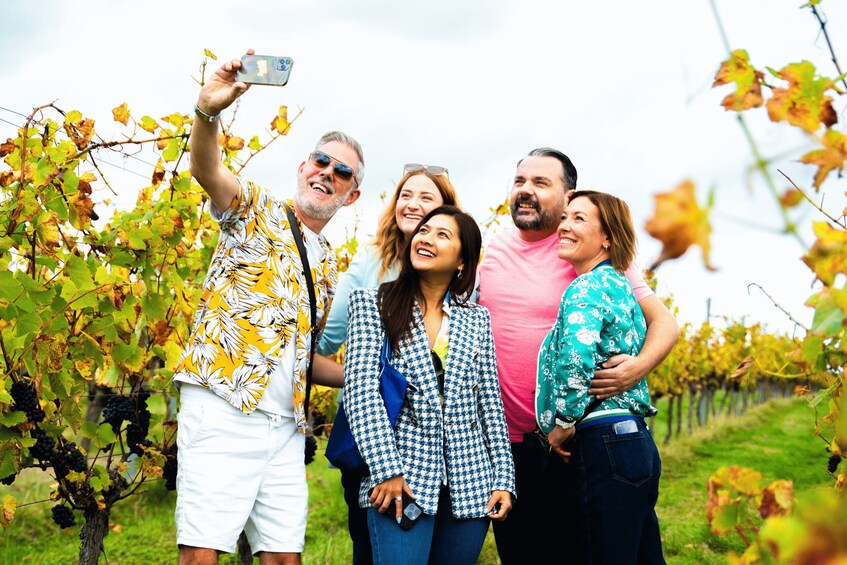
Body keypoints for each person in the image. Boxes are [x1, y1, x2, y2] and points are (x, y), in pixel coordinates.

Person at [171, 50, 361, 565]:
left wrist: (370, 373)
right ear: (303, 167)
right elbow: (208, 170)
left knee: (283, 558)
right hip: (225, 406)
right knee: (202, 555)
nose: (327, 172)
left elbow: (305, 360)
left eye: (341, 171)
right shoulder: (254, 208)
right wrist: (208, 112)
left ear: (352, 193)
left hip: (284, 427)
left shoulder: (327, 267)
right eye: (321, 161)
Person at [477, 147, 679, 564]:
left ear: (568, 196)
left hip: (575, 443)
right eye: (520, 181)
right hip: (512, 449)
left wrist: (635, 369)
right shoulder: (492, 252)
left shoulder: (588, 253)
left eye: (540, 182)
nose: (526, 191)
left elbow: (665, 323)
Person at [343, 206, 515, 565]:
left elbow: (490, 404)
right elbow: (361, 395)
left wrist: (503, 478)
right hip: (399, 480)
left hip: (470, 483)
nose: (425, 238)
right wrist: (386, 470)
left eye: (442, 234)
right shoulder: (374, 306)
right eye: (424, 230)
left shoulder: (476, 319)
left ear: (462, 261)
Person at [317, 164, 459, 564]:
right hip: (376, 438)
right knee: (373, 550)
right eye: (405, 195)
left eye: (426, 197)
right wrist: (366, 378)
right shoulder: (371, 263)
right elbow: (322, 345)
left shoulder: (463, 275)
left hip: (440, 446)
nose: (412, 204)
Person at [537, 190, 664, 563]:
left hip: (603, 441)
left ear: (607, 237)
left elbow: (575, 361)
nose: (564, 226)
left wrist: (562, 423)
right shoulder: (619, 286)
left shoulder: (586, 287)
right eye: (565, 218)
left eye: (579, 219)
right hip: (634, 441)